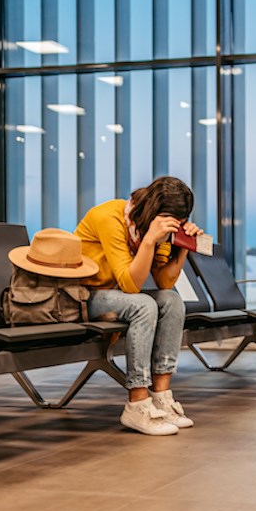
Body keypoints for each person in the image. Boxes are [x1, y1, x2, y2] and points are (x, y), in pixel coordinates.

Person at [75, 176, 203, 436]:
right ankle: (137, 402)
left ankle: (161, 396)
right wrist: (149, 241)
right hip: (84, 295)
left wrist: (182, 247)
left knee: (172, 301)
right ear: (154, 211)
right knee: (144, 304)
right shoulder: (108, 217)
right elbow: (131, 285)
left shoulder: (155, 226)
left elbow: (165, 283)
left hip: (118, 296)